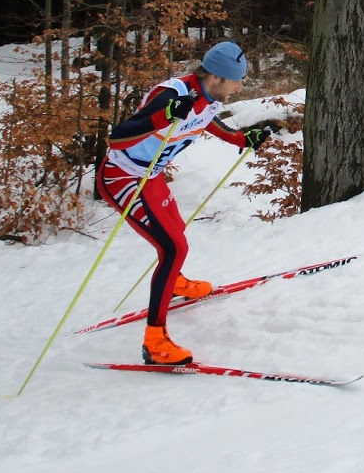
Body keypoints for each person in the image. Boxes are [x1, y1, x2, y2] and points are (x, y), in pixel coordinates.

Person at [96, 41, 272, 365]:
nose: (239, 87)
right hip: (122, 176)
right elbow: (117, 137)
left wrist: (242, 139)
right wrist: (164, 115)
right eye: (236, 81)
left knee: (176, 231)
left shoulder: (210, 98)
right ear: (216, 76)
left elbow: (207, 121)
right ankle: (155, 342)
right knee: (173, 248)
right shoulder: (172, 95)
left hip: (150, 176)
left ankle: (173, 283)